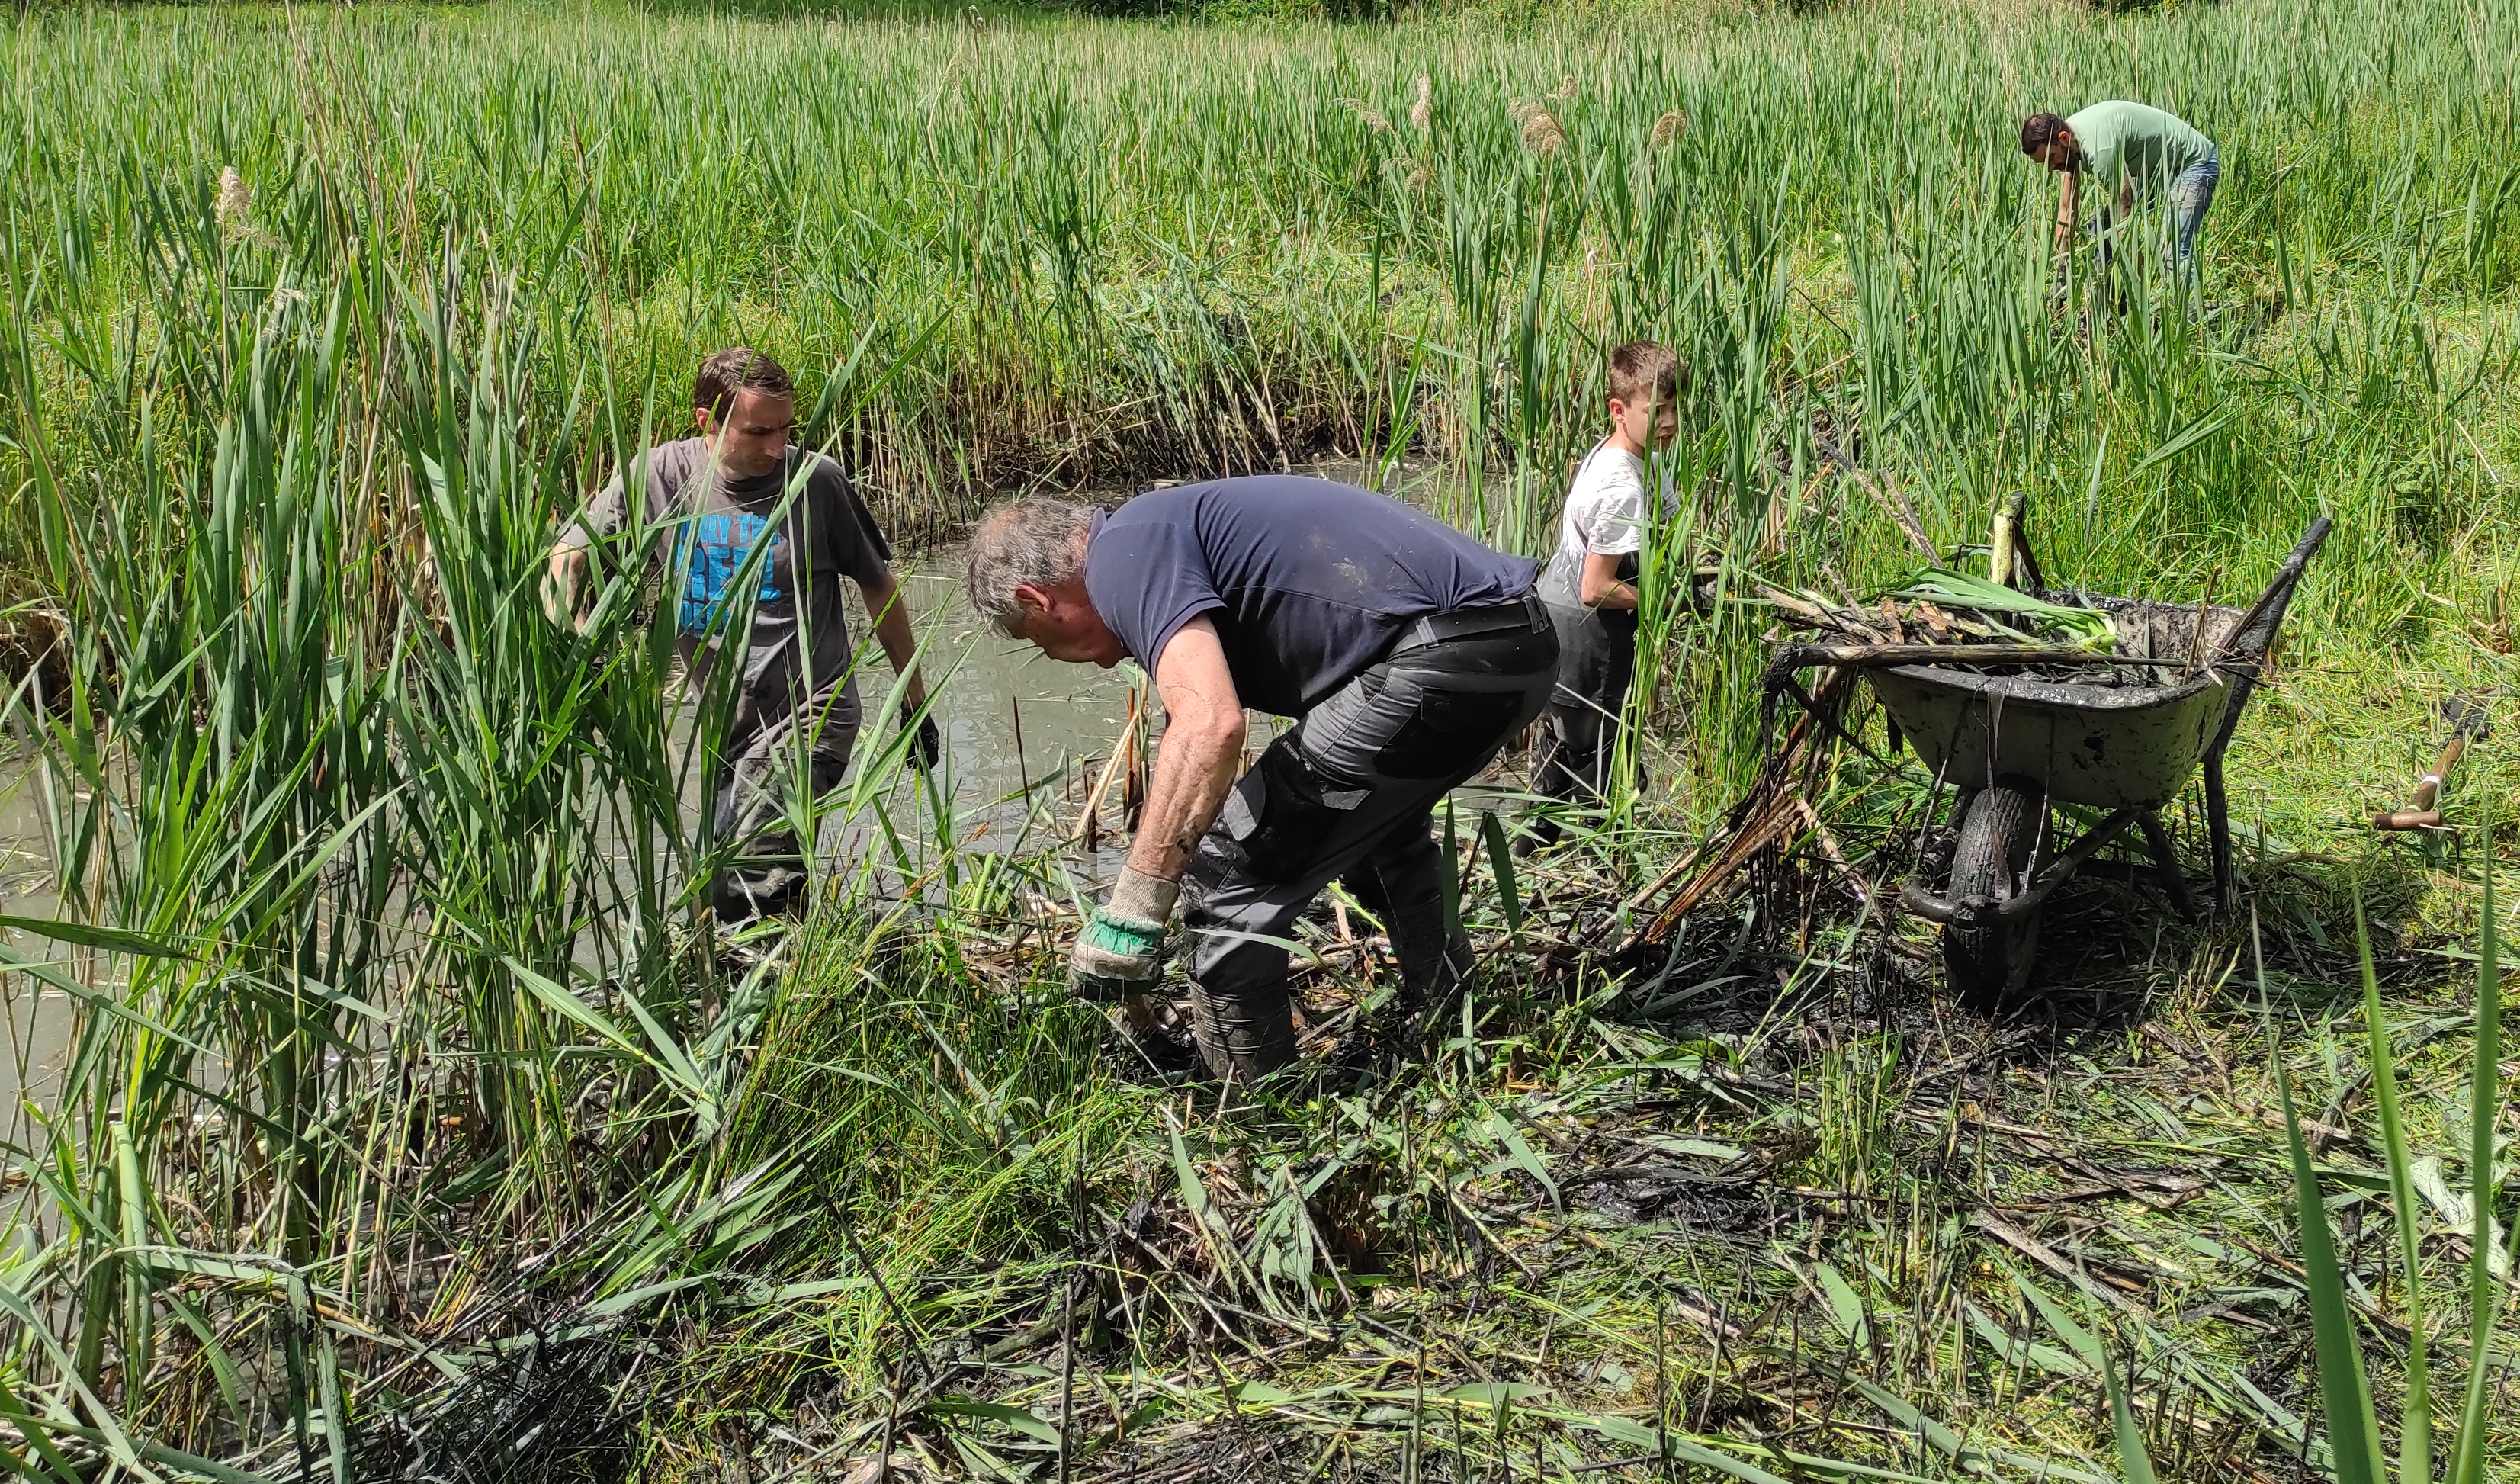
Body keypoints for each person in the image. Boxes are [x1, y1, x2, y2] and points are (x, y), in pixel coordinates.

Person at [966, 477, 1556, 1081]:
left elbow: (1211, 727)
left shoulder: (1121, 556)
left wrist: (1133, 912)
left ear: (1038, 599)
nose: (1066, 658)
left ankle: (1251, 1108)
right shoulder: (1152, 534)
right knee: (1379, 843)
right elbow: (1196, 762)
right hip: (1516, 644)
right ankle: (1451, 1026)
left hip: (1443, 659)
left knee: (1226, 878)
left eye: (1038, 642)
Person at [554, 345, 936, 919]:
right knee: (724, 880)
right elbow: (565, 563)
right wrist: (589, 661)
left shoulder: (817, 483)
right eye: (758, 432)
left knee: (750, 865)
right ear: (707, 420)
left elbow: (879, 587)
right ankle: (798, 980)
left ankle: (768, 989)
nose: (776, 447)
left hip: (813, 713)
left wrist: (915, 703)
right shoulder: (660, 478)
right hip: (724, 730)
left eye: (785, 429)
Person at [1533, 342, 1684, 815]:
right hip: (1583, 629)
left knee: (1559, 761)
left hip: (1565, 614)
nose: (1669, 422)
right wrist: (1658, 601)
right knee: (1608, 774)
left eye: (1675, 409)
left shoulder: (1642, 455)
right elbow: (1596, 587)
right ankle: (1605, 879)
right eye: (1656, 411)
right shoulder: (1621, 485)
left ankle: (1533, 864)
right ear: (1618, 410)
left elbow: (1670, 530)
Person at [2020, 101, 2220, 290]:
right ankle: (2108, 294)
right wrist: (2061, 272)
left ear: (2064, 138)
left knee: (2172, 249)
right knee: (2100, 226)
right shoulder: (2068, 144)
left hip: (2193, 164)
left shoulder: (2100, 149)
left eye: (2051, 158)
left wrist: (2140, 289)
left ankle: (2191, 316)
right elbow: (2066, 212)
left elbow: (2125, 221)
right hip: (2155, 171)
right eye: (2043, 163)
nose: (2050, 168)